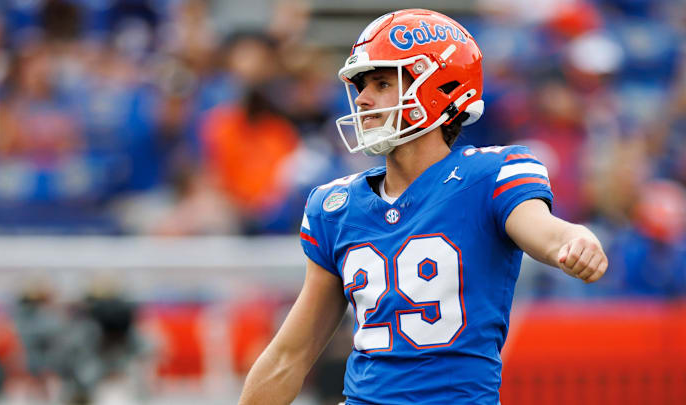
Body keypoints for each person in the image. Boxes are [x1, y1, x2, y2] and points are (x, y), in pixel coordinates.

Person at [238, 9, 608, 405]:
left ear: (441, 89)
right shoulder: (337, 205)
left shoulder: (489, 176)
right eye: (363, 85)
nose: (362, 98)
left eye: (382, 83)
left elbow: (544, 229)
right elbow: (289, 356)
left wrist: (575, 239)